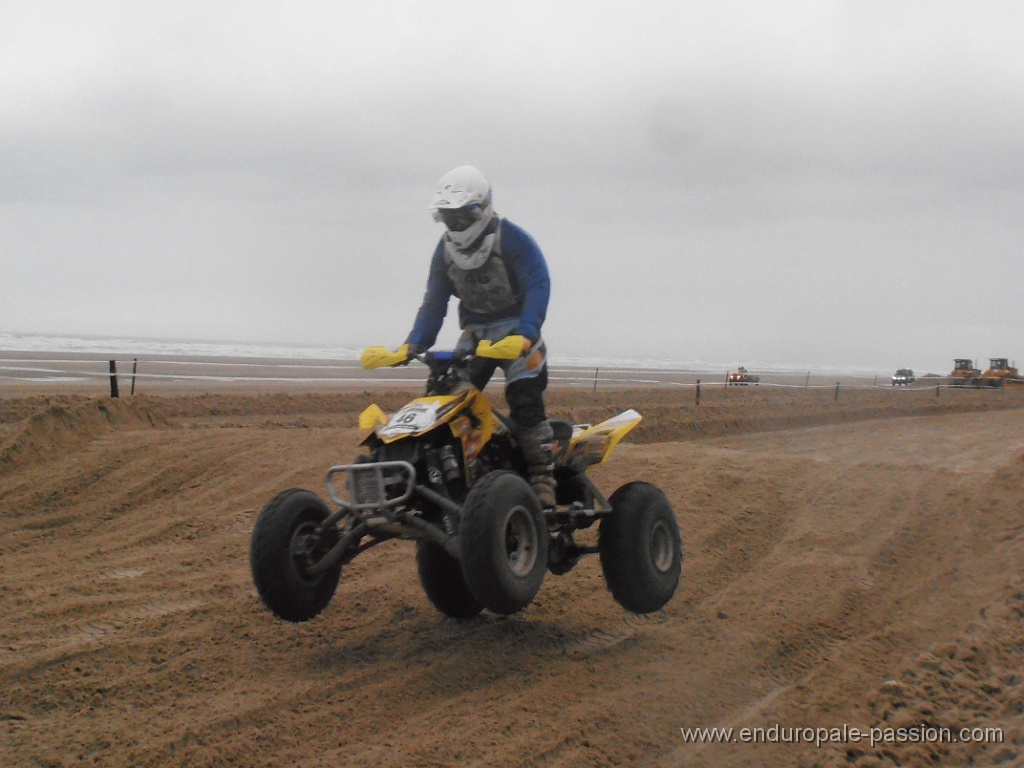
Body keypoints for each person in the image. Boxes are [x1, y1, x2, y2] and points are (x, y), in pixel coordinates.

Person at [376, 165, 555, 507]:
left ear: (481, 209)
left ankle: (542, 479)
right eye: (448, 217)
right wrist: (414, 344)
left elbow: (538, 285)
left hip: (516, 333)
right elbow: (434, 299)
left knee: (526, 403)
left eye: (460, 216)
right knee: (445, 399)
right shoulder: (444, 251)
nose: (455, 225)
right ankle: (459, 472)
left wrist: (527, 333)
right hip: (475, 334)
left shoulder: (512, 238)